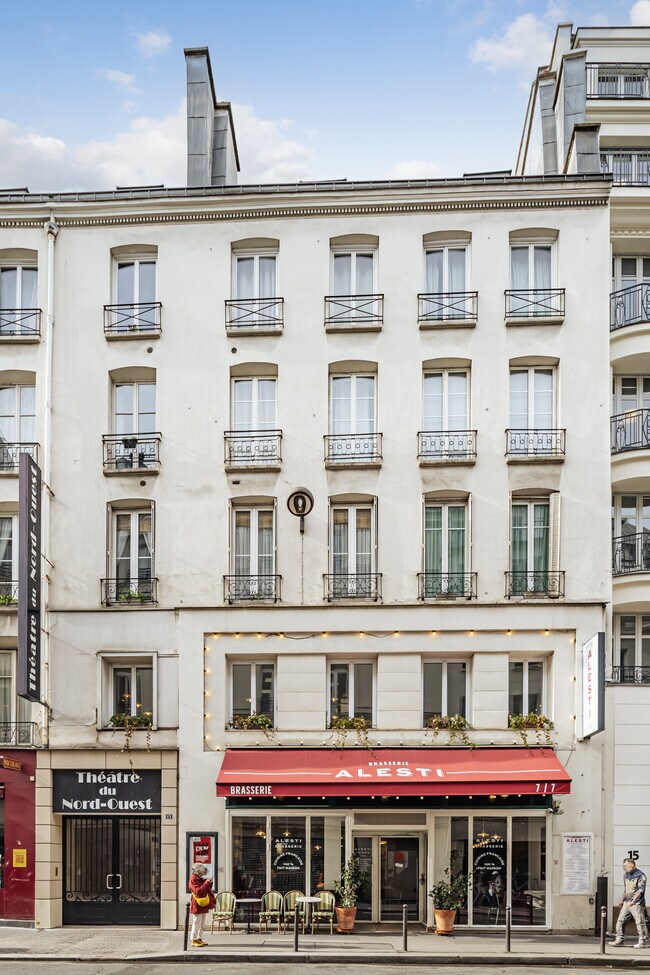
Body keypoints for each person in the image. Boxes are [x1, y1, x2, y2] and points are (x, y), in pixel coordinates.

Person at [611, 858, 649, 948]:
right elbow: (627, 890)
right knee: (621, 920)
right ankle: (619, 939)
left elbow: (640, 891)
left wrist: (633, 901)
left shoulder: (640, 875)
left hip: (637, 903)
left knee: (640, 922)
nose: (625, 868)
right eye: (624, 866)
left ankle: (642, 942)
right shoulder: (626, 875)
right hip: (627, 902)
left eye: (626, 866)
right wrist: (622, 900)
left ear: (632, 865)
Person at [189, 863, 216, 947]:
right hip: (197, 904)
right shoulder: (193, 879)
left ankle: (199, 938)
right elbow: (199, 892)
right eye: (203, 872)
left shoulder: (198, 878)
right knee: (196, 923)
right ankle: (194, 940)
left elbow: (205, 889)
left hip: (202, 904)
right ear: (198, 871)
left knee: (202, 923)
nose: (203, 874)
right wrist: (207, 882)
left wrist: (209, 882)